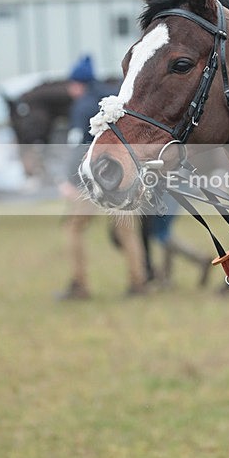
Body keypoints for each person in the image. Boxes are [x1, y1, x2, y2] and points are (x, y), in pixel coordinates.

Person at [57, 55, 151, 300]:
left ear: (77, 84)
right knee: (127, 231)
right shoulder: (114, 97)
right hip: (124, 175)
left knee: (73, 229)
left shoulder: (80, 106)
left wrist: (69, 180)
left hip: (93, 178)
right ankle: (138, 282)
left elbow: (78, 145)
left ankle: (79, 284)